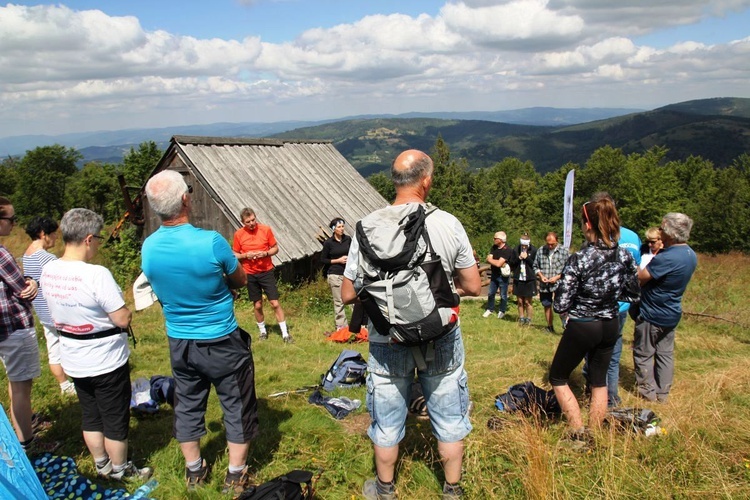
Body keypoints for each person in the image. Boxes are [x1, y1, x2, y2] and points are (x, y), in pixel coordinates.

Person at [341, 149, 481, 500]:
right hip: (440, 333)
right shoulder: (447, 223)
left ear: (395, 180)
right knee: (449, 417)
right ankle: (452, 490)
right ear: (427, 180)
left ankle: (384, 489)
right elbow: (474, 285)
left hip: (387, 338)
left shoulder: (367, 226)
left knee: (387, 419)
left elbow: (346, 294)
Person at [142, 170, 259, 495]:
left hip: (180, 340)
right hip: (221, 338)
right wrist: (221, 285)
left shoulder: (148, 247)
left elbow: (162, 290)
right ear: (185, 199)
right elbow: (240, 280)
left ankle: (195, 470)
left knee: (188, 403)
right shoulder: (211, 242)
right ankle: (236, 474)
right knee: (236, 403)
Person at [41, 208, 152, 481]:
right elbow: (121, 318)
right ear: (89, 239)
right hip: (105, 359)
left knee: (90, 414)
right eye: (99, 239)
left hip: (73, 356)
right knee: (115, 417)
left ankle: (101, 464)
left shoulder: (49, 270)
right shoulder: (96, 274)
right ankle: (120, 470)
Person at [549, 196, 639, 439]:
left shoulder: (580, 259)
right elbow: (632, 293)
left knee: (557, 376)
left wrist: (583, 300)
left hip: (583, 324)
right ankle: (596, 431)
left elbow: (561, 304)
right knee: (599, 380)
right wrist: (608, 295)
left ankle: (578, 431)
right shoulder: (625, 256)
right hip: (610, 323)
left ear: (588, 225)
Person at [634, 213, 697, 403]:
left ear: (670, 232)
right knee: (665, 354)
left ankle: (648, 394)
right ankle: (663, 393)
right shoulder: (690, 254)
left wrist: (633, 264)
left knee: (643, 353)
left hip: (652, 313)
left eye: (662, 228)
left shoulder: (667, 257)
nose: (659, 231)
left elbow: (641, 278)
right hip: (672, 311)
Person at [0, 197, 43, 453]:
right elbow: (24, 290)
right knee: (22, 387)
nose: (14, 225)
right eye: (10, 219)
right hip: (15, 326)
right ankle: (27, 443)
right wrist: (33, 282)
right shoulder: (2, 252)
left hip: (3, 330)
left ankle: (20, 432)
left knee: (14, 381)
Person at [22, 216, 76, 396]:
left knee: (54, 350)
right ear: (43, 234)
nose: (55, 237)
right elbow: (62, 281)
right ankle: (80, 379)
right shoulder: (46, 258)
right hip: (57, 310)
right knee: (71, 346)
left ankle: (64, 385)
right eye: (53, 233)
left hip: (42, 312)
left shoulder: (26, 255)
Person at [232, 208, 292, 343]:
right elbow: (234, 254)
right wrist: (245, 255)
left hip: (266, 271)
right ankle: (263, 332)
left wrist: (265, 253)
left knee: (275, 303)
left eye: (253, 220)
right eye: (248, 222)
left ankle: (285, 334)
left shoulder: (265, 229)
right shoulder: (239, 235)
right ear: (243, 222)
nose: (252, 223)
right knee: (258, 305)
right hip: (250, 273)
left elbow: (275, 248)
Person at [533, 232, 569, 333]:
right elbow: (535, 266)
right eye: (548, 243)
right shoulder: (541, 250)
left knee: (562, 305)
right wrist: (541, 276)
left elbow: (569, 268)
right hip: (545, 284)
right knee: (546, 304)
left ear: (557, 241)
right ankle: (550, 327)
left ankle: (566, 326)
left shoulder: (564, 251)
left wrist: (557, 277)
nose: (550, 246)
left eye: (552, 244)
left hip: (559, 283)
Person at [320, 218, 351, 331]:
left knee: (353, 299)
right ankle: (341, 326)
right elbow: (323, 259)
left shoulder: (348, 239)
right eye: (339, 227)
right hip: (335, 274)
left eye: (343, 226)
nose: (342, 229)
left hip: (348, 274)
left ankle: (357, 325)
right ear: (333, 229)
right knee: (339, 301)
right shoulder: (329, 243)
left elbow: (354, 252)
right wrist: (338, 260)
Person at [482, 231, 512, 319]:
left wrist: (493, 261)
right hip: (494, 274)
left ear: (501, 240)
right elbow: (490, 259)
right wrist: (496, 262)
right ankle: (490, 309)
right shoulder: (494, 247)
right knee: (491, 293)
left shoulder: (507, 250)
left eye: (495, 238)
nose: (494, 240)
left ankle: (502, 310)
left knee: (503, 294)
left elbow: (498, 263)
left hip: (503, 276)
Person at [509, 232, 537, 325]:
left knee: (527, 302)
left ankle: (528, 318)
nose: (524, 247)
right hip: (519, 278)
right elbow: (512, 263)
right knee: (520, 301)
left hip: (529, 279)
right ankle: (521, 317)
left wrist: (527, 258)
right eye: (523, 245)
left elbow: (535, 265)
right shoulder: (516, 250)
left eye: (526, 245)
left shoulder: (533, 250)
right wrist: (519, 258)